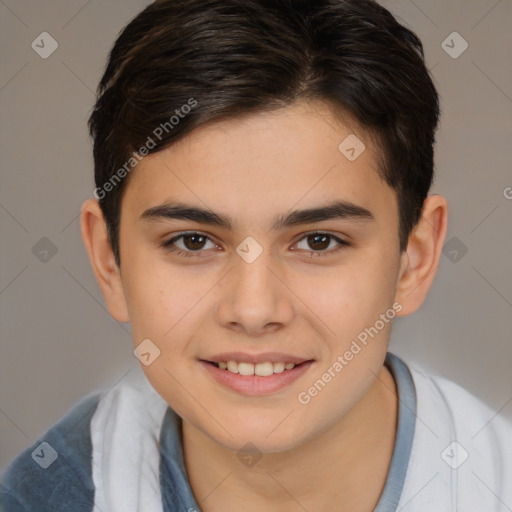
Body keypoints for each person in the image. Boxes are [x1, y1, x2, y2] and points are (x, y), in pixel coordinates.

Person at [1, 0, 511, 510]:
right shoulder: (44, 496)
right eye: (193, 241)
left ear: (413, 260)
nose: (253, 310)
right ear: (110, 261)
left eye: (319, 241)